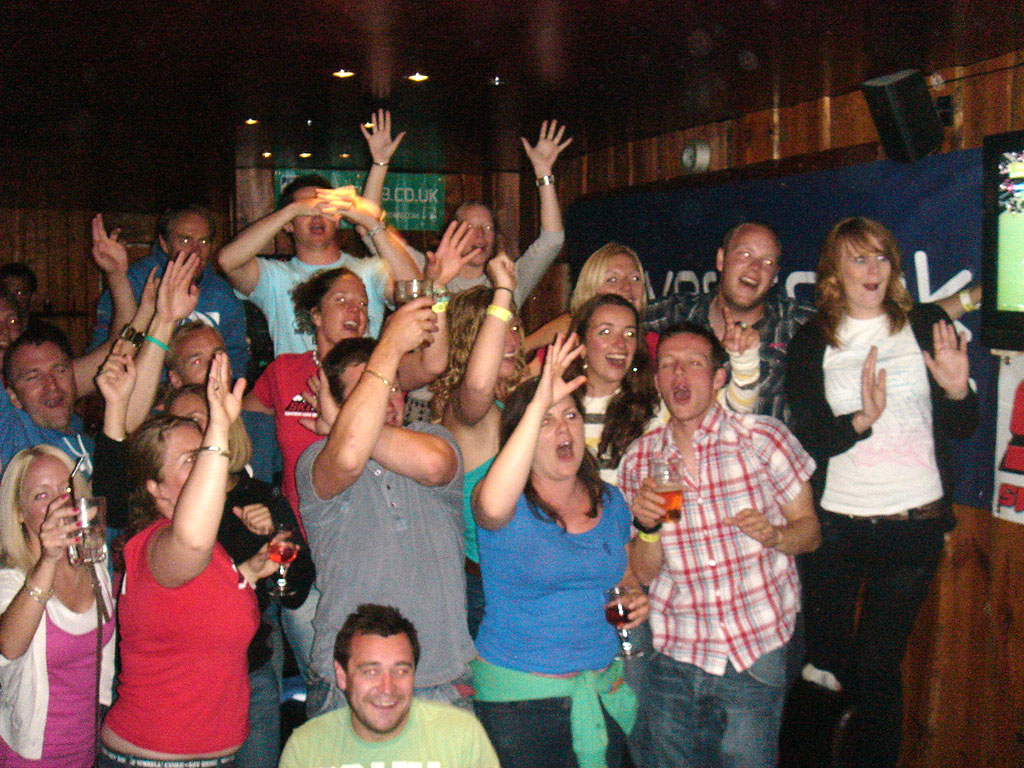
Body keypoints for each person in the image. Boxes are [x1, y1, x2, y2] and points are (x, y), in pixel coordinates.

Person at [784, 217, 977, 768]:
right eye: (858, 258)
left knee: (876, 669)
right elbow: (812, 435)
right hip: (837, 526)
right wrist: (861, 421)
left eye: (881, 257)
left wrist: (957, 390)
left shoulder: (925, 324)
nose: (872, 269)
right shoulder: (813, 339)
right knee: (824, 662)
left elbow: (963, 426)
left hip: (912, 526)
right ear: (834, 273)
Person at [619, 321, 820, 768]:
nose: (679, 375)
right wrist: (648, 527)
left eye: (694, 364)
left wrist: (776, 535)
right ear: (657, 381)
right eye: (668, 365)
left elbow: (810, 532)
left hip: (753, 648)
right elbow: (644, 573)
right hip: (676, 653)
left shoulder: (762, 439)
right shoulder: (640, 460)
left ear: (718, 378)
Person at [470, 333, 648, 768]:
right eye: (546, 421)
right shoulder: (502, 501)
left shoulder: (609, 500)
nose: (563, 428)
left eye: (570, 415)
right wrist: (537, 402)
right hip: (519, 703)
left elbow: (626, 575)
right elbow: (490, 507)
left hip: (600, 689)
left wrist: (634, 594)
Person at [295, 302, 474, 719]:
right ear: (338, 401)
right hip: (349, 684)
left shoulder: (434, 437)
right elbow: (347, 458)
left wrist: (345, 422)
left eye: (392, 387)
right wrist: (390, 345)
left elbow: (433, 465)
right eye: (369, 391)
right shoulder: (315, 460)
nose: (388, 400)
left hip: (439, 678)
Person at [99, 353, 277, 767]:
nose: (206, 465)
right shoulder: (154, 544)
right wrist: (217, 428)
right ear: (156, 488)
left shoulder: (209, 548)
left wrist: (249, 571)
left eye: (205, 454)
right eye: (189, 459)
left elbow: (194, 612)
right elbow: (190, 544)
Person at [0, 446, 115, 767]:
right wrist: (49, 559)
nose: (59, 503)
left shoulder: (93, 560)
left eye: (66, 489)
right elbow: (8, 647)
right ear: (19, 512)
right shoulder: (10, 578)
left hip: (89, 745)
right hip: (32, 754)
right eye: (41, 495)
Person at [430, 255, 525, 637]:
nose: (512, 340)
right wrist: (503, 290)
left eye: (516, 327)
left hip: (519, 577)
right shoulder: (463, 408)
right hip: (488, 587)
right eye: (500, 329)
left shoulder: (509, 401)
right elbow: (478, 385)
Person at [279, 603, 499, 768]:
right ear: (342, 675)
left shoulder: (460, 735)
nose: (387, 687)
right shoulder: (308, 747)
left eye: (400, 671)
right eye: (371, 672)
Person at [217, 179, 420, 354]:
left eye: (324, 208)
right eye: (307, 210)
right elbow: (227, 261)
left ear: (337, 218)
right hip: (296, 385)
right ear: (288, 224)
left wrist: (370, 222)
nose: (316, 216)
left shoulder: (369, 270)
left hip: (360, 382)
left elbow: (415, 292)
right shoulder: (274, 277)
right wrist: (293, 209)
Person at [89, 205, 250, 378]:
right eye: (185, 240)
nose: (196, 251)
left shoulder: (222, 295)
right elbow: (106, 353)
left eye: (203, 242)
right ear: (164, 244)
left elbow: (236, 360)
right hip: (135, 388)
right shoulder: (135, 282)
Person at [525, 242, 656, 359]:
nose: (627, 286)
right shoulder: (567, 348)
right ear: (590, 289)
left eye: (635, 278)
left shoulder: (656, 346)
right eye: (613, 279)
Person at [0, 323, 95, 473]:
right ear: (14, 397)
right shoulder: (14, 432)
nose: (52, 385)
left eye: (59, 370)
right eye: (33, 377)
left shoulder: (89, 441)